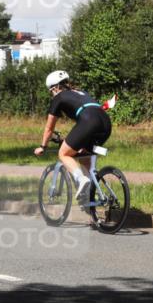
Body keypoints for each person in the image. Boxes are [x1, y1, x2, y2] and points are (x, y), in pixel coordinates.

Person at [34, 70, 112, 206]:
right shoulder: (81, 92)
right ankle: (90, 199)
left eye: (51, 90)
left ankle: (81, 180)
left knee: (63, 153)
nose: (52, 93)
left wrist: (43, 146)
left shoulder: (58, 97)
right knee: (84, 157)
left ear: (56, 87)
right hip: (105, 122)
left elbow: (49, 128)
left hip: (89, 121)